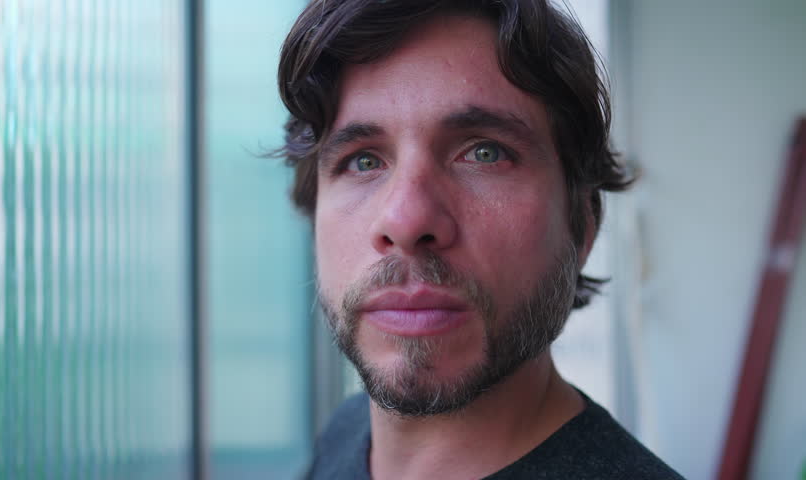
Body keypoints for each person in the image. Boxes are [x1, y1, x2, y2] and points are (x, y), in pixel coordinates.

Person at [277, 1, 684, 478]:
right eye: (364, 161)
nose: (406, 221)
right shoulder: (345, 433)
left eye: (485, 154)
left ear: (582, 224)